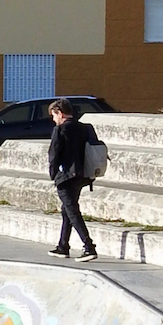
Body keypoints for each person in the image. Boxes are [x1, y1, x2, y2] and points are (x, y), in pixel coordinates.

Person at [46, 99, 98, 262]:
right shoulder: (85, 128)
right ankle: (63, 246)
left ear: (60, 113)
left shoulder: (60, 129)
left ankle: (89, 247)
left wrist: (53, 174)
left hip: (66, 176)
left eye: (54, 115)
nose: (54, 119)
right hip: (82, 176)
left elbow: (54, 154)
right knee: (67, 210)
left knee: (73, 211)